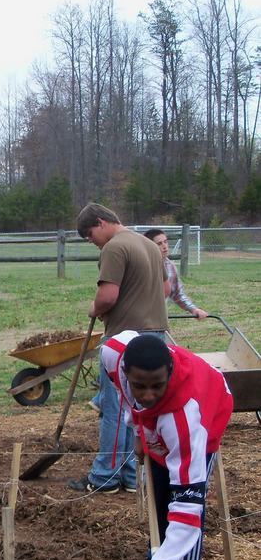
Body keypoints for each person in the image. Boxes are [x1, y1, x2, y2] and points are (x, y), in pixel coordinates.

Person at [100, 332, 233, 560]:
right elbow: (124, 394)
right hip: (161, 425)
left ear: (169, 373)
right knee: (161, 503)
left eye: (156, 386)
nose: (147, 395)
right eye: (139, 386)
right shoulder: (113, 354)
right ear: (126, 371)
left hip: (210, 406)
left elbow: (188, 505)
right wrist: (138, 429)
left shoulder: (185, 423)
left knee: (178, 503)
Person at [69, 203, 169, 494]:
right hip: (155, 335)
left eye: (90, 235)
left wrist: (94, 308)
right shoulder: (148, 246)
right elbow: (164, 291)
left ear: (101, 223)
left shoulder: (113, 247)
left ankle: (105, 477)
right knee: (140, 409)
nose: (91, 242)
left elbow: (108, 297)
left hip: (124, 339)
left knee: (114, 408)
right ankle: (130, 475)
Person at [144, 228, 209, 320]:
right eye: (159, 244)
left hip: (159, 319)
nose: (164, 246)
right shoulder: (140, 266)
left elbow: (177, 294)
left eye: (165, 242)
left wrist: (194, 309)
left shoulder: (170, 266)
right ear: (148, 246)